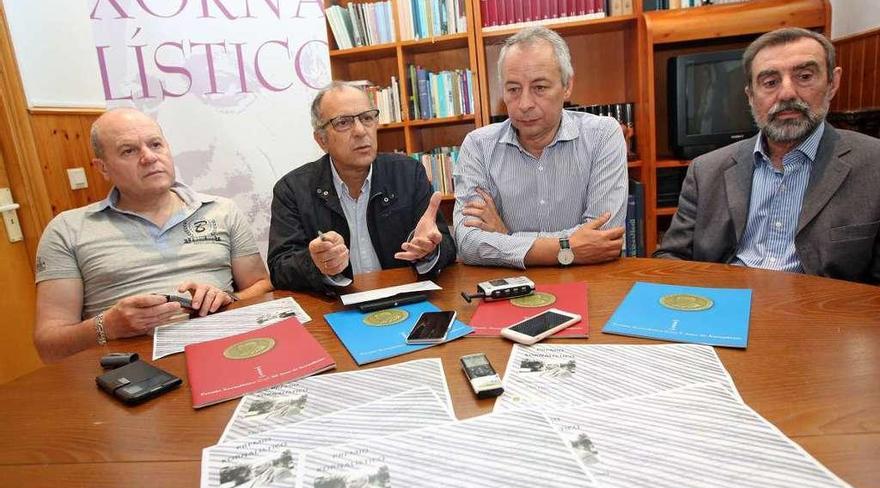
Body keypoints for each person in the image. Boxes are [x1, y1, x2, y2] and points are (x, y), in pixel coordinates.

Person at [33, 108, 272, 362]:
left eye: (155, 144)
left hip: (225, 351)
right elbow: (49, 346)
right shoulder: (67, 230)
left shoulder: (221, 210)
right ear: (103, 168)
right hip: (131, 370)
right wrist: (109, 325)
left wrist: (228, 299)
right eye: (129, 150)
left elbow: (262, 287)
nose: (149, 157)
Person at [654, 27, 880, 284]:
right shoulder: (705, 170)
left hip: (821, 315)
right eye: (770, 82)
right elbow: (670, 256)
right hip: (722, 307)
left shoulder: (874, 166)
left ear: (832, 83)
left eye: (804, 76)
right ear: (750, 95)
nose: (787, 94)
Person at [453, 26, 628, 269]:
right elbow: (468, 242)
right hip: (508, 290)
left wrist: (506, 238)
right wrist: (567, 248)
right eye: (513, 89)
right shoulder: (478, 146)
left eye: (540, 88)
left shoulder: (603, 135)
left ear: (567, 86)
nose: (524, 104)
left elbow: (604, 236)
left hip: (590, 284)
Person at [268, 82, 456, 293]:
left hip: (404, 299)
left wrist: (429, 250)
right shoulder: (292, 190)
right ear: (322, 140)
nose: (360, 131)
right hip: (335, 308)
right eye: (343, 122)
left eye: (367, 118)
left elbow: (446, 245)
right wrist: (315, 262)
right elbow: (279, 268)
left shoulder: (408, 173)